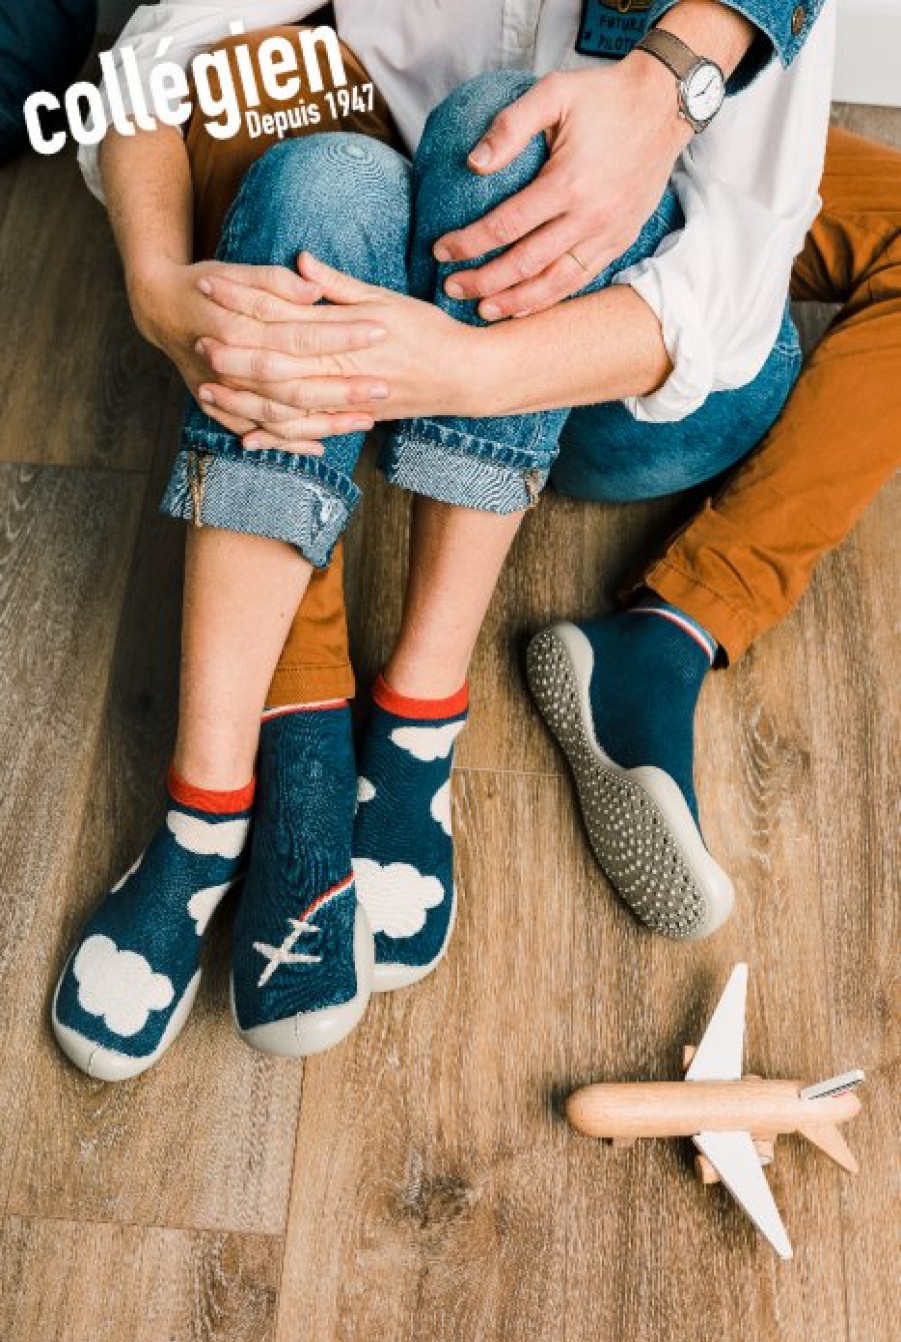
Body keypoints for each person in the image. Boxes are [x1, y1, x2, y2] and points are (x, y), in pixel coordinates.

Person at [53, 0, 834, 1080]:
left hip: (631, 388)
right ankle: (205, 801)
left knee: (508, 133)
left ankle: (419, 719)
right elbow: (147, 59)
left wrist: (462, 371)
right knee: (323, 180)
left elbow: (726, 304)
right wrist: (152, 289)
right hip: (407, 273)